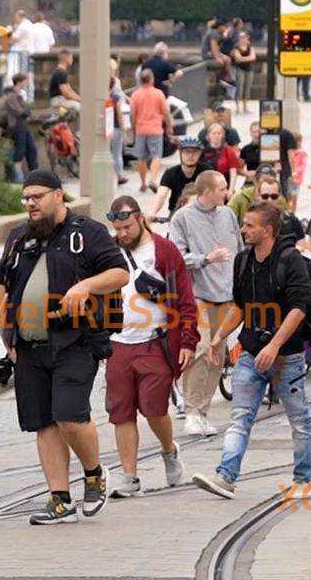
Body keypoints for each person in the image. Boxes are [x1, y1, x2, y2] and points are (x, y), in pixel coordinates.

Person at [0, 171, 130, 524]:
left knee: (69, 415)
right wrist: (7, 335)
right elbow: (2, 288)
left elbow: (119, 273)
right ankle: (60, 498)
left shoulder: (88, 232)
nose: (30, 204)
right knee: (43, 423)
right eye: (26, 198)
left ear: (58, 196)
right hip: (29, 347)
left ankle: (94, 472)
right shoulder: (18, 238)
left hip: (75, 341)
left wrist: (85, 285)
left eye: (37, 196)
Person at [192, 203, 311, 498]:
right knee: (240, 416)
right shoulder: (243, 260)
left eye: (250, 225)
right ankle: (225, 476)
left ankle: (303, 479)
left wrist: (275, 346)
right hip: (251, 351)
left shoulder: (291, 260)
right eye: (244, 224)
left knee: (299, 419)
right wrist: (219, 337)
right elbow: (240, 305)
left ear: (268, 230)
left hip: (287, 355)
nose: (243, 230)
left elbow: (299, 309)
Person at [102, 195, 196, 497]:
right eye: (117, 229)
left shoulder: (164, 251)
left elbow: (185, 298)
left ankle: (169, 450)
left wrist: (188, 339)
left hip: (155, 342)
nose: (122, 234)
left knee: (155, 409)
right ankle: (129, 476)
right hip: (117, 343)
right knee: (121, 413)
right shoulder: (108, 252)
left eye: (127, 227)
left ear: (140, 218)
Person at [169, 170, 240, 436]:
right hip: (197, 294)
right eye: (222, 188)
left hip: (226, 293)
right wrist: (206, 259)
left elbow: (239, 250)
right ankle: (191, 410)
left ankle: (203, 411)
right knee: (200, 348)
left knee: (217, 355)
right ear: (206, 191)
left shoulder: (228, 214)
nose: (227, 192)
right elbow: (177, 256)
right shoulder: (183, 218)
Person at [128, 68, 168, 193]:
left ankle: (143, 183)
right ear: (152, 79)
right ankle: (153, 179)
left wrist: (134, 127)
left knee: (141, 157)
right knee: (156, 156)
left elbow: (132, 114)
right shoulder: (158, 93)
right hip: (155, 128)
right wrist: (170, 125)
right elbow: (165, 111)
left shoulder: (135, 94)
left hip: (140, 129)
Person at [6, 72, 38, 179]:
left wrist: (26, 111)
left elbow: (26, 111)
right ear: (19, 82)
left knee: (32, 150)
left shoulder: (19, 95)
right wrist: (26, 111)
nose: (26, 83)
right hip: (17, 126)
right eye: (25, 81)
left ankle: (35, 174)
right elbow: (19, 111)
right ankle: (18, 175)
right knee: (20, 150)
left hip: (24, 126)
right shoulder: (11, 96)